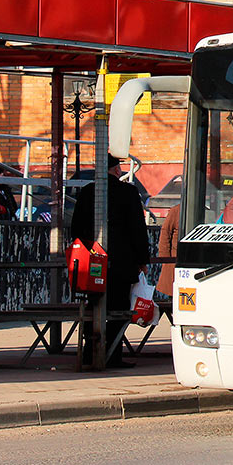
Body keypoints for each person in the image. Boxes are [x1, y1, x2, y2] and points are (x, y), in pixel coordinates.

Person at [69, 154, 150, 368]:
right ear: (116, 170)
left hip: (91, 263)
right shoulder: (128, 192)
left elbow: (75, 228)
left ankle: (90, 351)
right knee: (121, 309)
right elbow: (137, 229)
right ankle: (111, 353)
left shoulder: (87, 192)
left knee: (92, 307)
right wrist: (143, 259)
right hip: (121, 264)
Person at [155, 202, 180, 302]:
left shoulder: (204, 211)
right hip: (174, 261)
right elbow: (165, 234)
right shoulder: (176, 211)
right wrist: (166, 261)